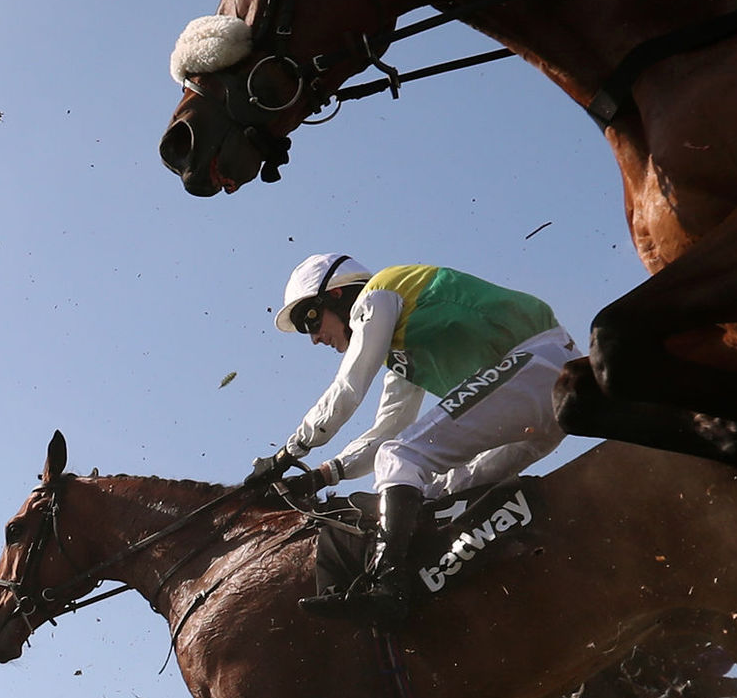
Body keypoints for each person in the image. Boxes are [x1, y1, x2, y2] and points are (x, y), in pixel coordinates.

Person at [245, 254, 586, 628]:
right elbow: (387, 429)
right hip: (541, 402)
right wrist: (323, 475)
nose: (314, 338)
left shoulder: (377, 294)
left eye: (310, 319)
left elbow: (349, 386)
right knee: (440, 488)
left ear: (338, 295)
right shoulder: (400, 348)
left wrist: (288, 452)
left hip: (538, 365)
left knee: (400, 458)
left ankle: (388, 586)